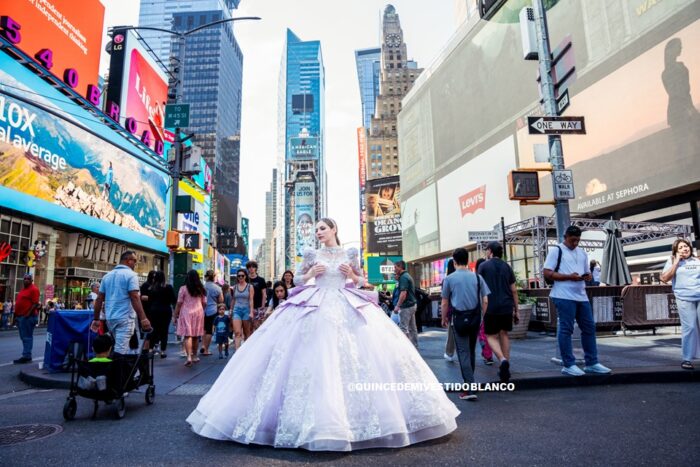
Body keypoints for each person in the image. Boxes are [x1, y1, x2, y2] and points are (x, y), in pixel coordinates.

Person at [187, 218, 459, 450]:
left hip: (343, 302)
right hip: (316, 302)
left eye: (322, 229)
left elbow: (361, 281)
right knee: (308, 353)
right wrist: (310, 275)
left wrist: (352, 276)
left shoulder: (349, 253)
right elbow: (298, 281)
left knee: (357, 354)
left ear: (334, 230)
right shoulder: (311, 255)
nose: (318, 233)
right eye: (316, 230)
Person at [543, 226, 611, 376]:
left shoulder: (582, 253)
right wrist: (569, 276)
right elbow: (547, 272)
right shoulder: (556, 250)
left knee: (589, 328)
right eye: (572, 240)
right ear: (565, 237)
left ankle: (591, 363)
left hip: (581, 295)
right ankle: (568, 364)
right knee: (566, 329)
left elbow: (586, 271)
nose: (575, 243)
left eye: (578, 240)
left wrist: (587, 276)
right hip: (562, 295)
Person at [441, 248, 490, 400]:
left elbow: (444, 302)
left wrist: (444, 318)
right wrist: (482, 316)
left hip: (459, 320)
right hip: (475, 319)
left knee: (463, 353)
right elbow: (486, 300)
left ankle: (469, 388)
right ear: (467, 260)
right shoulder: (477, 278)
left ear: (454, 261)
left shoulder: (449, 279)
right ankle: (470, 384)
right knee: (471, 351)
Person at [91, 252, 151, 355]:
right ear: (128, 260)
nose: (135, 264)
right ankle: (118, 370)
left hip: (110, 318)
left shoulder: (107, 276)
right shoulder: (131, 275)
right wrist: (143, 318)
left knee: (118, 346)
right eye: (134, 261)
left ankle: (120, 368)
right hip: (125, 318)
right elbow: (135, 297)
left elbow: (100, 298)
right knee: (120, 350)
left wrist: (96, 319)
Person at [478, 242, 519, 383]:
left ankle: (502, 360)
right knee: (504, 334)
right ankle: (506, 363)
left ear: (490, 251)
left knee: (490, 335)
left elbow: (479, 288)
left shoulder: (483, 266)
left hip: (490, 306)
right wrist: (516, 310)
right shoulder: (507, 267)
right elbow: (513, 290)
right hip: (507, 305)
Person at [660, 238, 700, 370]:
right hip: (684, 297)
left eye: (686, 246)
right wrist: (676, 262)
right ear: (676, 251)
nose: (685, 249)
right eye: (681, 247)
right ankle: (687, 359)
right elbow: (664, 278)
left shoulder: (697, 260)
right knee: (690, 328)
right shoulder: (672, 261)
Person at [174, 270, 207, 367]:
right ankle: (195, 356)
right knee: (196, 335)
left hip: (186, 312)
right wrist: (201, 309)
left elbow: (179, 303)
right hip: (198, 312)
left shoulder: (183, 289)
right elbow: (204, 302)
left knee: (188, 335)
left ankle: (188, 356)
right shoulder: (201, 288)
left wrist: (175, 314)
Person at [144, 271, 176, 358]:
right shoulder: (168, 287)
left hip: (154, 311)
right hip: (165, 311)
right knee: (164, 331)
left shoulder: (151, 288)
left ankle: (150, 349)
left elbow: (149, 301)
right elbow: (173, 299)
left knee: (153, 330)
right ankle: (163, 351)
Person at [13, 273, 41, 364]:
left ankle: (27, 356)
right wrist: (16, 316)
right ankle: (26, 354)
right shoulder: (23, 290)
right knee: (24, 337)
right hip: (21, 316)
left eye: (28, 279)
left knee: (27, 337)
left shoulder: (34, 289)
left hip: (28, 317)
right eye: (24, 278)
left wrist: (27, 314)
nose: (26, 280)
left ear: (31, 280)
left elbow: (35, 303)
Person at [393, 260, 418, 348]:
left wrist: (397, 306)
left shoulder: (403, 277)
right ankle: (414, 346)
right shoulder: (406, 276)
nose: (394, 269)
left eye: (395, 267)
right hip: (412, 305)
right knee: (412, 328)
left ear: (400, 267)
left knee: (403, 328)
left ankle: (404, 349)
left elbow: (403, 294)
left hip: (407, 306)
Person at [200, 270, 223, 356]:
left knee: (203, 329)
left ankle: (202, 345)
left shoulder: (202, 287)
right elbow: (221, 300)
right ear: (213, 277)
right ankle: (206, 349)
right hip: (212, 310)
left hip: (202, 310)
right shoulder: (217, 288)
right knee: (209, 330)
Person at [231, 268, 254, 350]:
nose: (240, 277)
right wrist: (231, 310)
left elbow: (251, 299)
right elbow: (233, 299)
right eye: (239, 276)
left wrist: (251, 312)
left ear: (245, 276)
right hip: (236, 310)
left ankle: (246, 352)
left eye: (242, 276)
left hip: (246, 311)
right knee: (237, 332)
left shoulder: (249, 287)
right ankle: (237, 352)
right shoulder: (235, 287)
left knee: (246, 333)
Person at [246, 261, 267, 331]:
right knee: (249, 328)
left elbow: (264, 294)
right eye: (249, 267)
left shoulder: (261, 280)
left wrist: (263, 306)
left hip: (258, 306)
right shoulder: (245, 279)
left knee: (257, 326)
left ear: (256, 268)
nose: (251, 268)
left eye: (253, 267)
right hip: (247, 306)